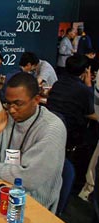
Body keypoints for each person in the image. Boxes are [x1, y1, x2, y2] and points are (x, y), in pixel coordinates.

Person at [0, 72, 67, 213]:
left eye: (18, 104)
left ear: (36, 100)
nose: (12, 110)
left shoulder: (51, 129)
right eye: (8, 103)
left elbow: (28, 179)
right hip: (2, 187)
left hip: (33, 203)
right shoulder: (8, 117)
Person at [47, 54, 99, 193]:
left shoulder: (58, 84)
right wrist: (88, 84)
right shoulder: (83, 90)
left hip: (50, 129)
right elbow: (90, 112)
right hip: (70, 135)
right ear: (85, 71)